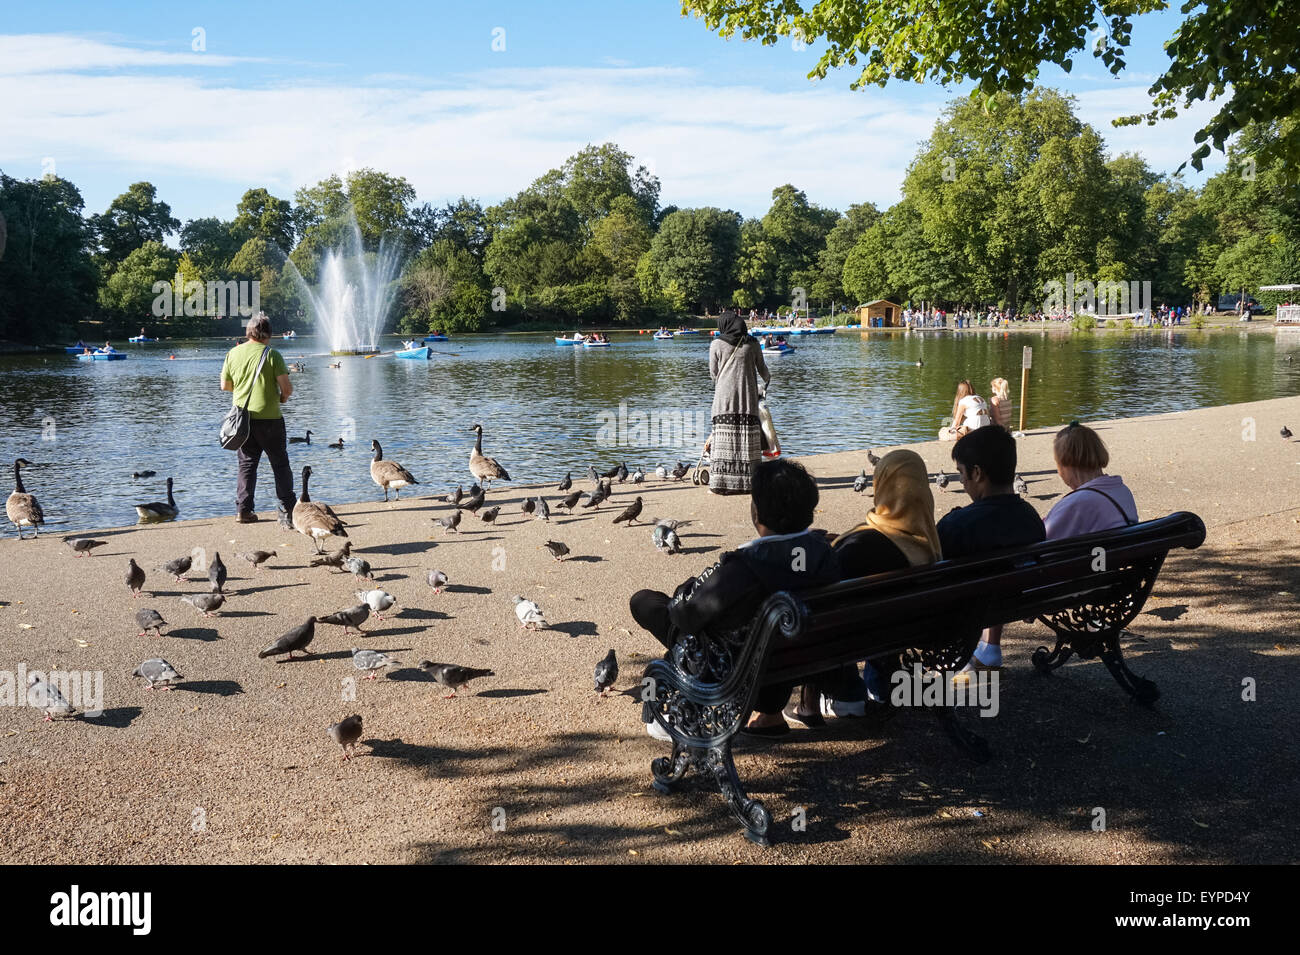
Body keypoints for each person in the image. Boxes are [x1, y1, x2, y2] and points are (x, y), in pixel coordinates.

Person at [629, 459, 840, 738]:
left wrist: (690, 588)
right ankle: (771, 714)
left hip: (735, 665)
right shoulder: (826, 553)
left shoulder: (745, 567)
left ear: (757, 513)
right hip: (798, 656)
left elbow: (685, 615)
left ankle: (678, 714)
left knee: (644, 602)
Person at [801, 449, 943, 721]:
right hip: (903, 629)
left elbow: (824, 585)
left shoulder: (863, 546)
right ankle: (880, 686)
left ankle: (845, 694)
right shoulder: (927, 545)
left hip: (851, 637)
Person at [937, 426, 1045, 674]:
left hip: (961, 612)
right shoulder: (1031, 517)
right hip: (1015, 602)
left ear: (976, 473)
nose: (961, 482)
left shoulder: (958, 525)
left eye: (961, 473)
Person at [220, 313, 296, 524]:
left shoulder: (233, 353)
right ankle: (289, 509)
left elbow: (225, 386)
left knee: (247, 464)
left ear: (248, 333)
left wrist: (243, 391)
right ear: (268, 334)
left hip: (242, 420)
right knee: (279, 464)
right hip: (270, 418)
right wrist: (282, 397)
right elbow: (287, 388)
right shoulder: (272, 355)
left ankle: (243, 510)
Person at [707, 310, 771, 494]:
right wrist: (765, 384)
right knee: (746, 438)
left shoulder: (716, 344)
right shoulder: (752, 344)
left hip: (723, 399)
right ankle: (749, 483)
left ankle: (721, 483)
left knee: (724, 439)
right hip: (747, 398)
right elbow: (763, 370)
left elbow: (713, 374)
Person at [1044, 423, 1137, 538]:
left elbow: (1044, 538)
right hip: (1117, 554)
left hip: (1096, 555)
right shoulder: (1121, 490)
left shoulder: (1077, 503)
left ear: (1064, 463)